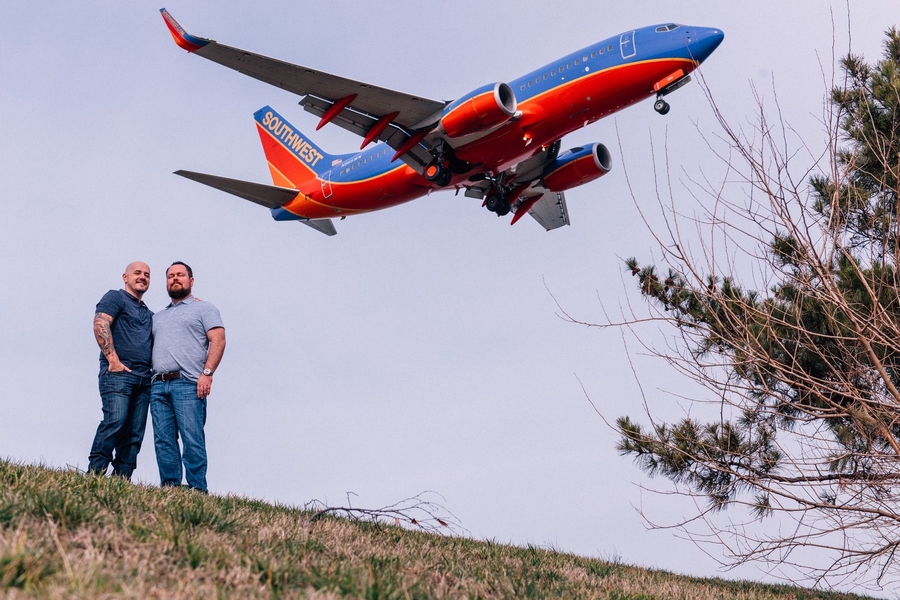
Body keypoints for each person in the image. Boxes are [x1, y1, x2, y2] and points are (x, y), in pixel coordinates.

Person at [150, 261, 226, 493]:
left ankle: (197, 489)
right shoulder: (157, 317)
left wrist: (207, 373)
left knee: (192, 439)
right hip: (158, 385)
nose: (175, 279)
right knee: (164, 441)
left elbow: (218, 340)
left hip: (188, 384)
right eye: (170, 276)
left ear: (191, 281)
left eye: (180, 275)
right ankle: (170, 488)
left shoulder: (204, 308)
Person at [88, 261, 153, 479]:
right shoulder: (115, 297)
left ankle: (121, 481)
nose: (142, 277)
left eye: (147, 274)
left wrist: (191, 302)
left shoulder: (149, 313)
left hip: (144, 380)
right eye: (137, 273)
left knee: (134, 434)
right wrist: (113, 361)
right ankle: (95, 475)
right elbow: (100, 323)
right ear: (125, 277)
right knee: (115, 421)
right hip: (118, 374)